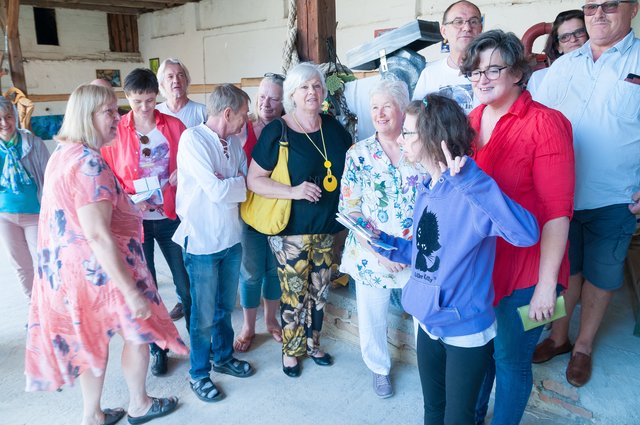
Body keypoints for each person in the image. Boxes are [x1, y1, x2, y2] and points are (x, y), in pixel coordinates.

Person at [24, 84, 186, 425]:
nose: (118, 117)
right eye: (109, 112)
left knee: (91, 342)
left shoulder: (63, 154)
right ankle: (139, 404)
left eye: (116, 109)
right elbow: (97, 234)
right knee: (138, 333)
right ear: (88, 117)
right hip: (103, 271)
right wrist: (131, 291)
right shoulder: (89, 163)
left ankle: (93, 414)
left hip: (73, 274)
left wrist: (128, 206)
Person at [372, 93, 538, 425]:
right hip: (428, 321)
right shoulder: (427, 187)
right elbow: (428, 253)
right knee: (433, 410)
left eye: (408, 133)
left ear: (433, 137)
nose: (400, 139)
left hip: (464, 329)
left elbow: (527, 234)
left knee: (457, 417)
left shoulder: (470, 188)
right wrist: (388, 245)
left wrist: (474, 182)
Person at [458, 30, 575, 424]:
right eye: (475, 71)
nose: (482, 79)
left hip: (529, 270)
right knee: (482, 350)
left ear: (518, 73)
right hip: (483, 265)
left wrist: (546, 285)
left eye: (494, 69)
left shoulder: (546, 124)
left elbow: (557, 212)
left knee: (511, 358)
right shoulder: (470, 122)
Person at [533, 0, 639, 387]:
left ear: (633, 9)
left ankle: (584, 346)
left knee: (602, 276)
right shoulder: (564, 65)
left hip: (616, 198)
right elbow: (538, 123)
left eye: (610, 5)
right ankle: (558, 337)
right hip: (560, 197)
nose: (599, 14)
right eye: (591, 6)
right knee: (566, 271)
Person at [247, 62, 352, 377]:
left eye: (316, 86)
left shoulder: (333, 128)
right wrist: (294, 191)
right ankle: (291, 351)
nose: (312, 92)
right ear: (292, 94)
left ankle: (313, 343)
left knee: (320, 292)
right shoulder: (277, 131)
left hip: (327, 229)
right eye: (304, 87)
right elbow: (254, 180)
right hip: (290, 231)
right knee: (294, 293)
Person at [101, 68, 191, 377]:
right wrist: (126, 198)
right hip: (134, 222)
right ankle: (158, 349)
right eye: (137, 101)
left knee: (185, 284)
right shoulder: (116, 131)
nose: (143, 107)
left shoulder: (175, 126)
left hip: (169, 216)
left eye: (150, 101)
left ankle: (197, 343)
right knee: (147, 288)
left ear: (157, 96)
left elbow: (193, 163)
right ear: (127, 97)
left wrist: (183, 173)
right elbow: (108, 175)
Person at [173, 83, 254, 403]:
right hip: (202, 242)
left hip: (231, 238)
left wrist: (230, 184)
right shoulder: (193, 140)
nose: (246, 120)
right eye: (244, 114)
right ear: (228, 113)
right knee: (203, 314)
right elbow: (218, 191)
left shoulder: (233, 143)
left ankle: (223, 357)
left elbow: (244, 184)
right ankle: (198, 373)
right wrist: (231, 184)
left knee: (224, 308)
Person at [338, 78, 418, 398]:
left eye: (387, 106)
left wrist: (411, 249)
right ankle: (379, 368)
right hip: (373, 252)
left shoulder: (419, 146)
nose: (380, 114)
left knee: (424, 316)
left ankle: (432, 368)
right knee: (372, 315)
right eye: (374, 107)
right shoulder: (358, 153)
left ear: (403, 109)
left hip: (415, 251)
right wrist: (382, 251)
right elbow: (350, 208)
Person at [234, 73, 285, 353]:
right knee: (251, 271)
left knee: (274, 270)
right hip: (249, 211)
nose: (266, 104)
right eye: (262, 97)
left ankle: (271, 320)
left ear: (284, 101)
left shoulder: (289, 128)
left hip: (280, 211)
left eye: (274, 99)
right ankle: (248, 326)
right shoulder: (242, 127)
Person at [0, 96, 49, 302]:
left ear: (15, 117)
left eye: (8, 116)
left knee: (44, 261)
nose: (4, 123)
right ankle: (33, 305)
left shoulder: (33, 143)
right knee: (21, 265)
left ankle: (51, 304)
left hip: (35, 214)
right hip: (5, 217)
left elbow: (49, 178)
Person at [412, 0, 483, 114]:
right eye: (458, 22)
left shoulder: (493, 73)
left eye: (473, 22)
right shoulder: (429, 74)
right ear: (444, 31)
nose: (467, 27)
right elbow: (416, 117)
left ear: (480, 29)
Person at [527, 10, 588, 96]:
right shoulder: (539, 79)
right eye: (565, 37)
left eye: (579, 32)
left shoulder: (604, 72)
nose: (573, 39)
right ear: (558, 47)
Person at [156, 58, 207, 129]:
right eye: (170, 77)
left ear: (187, 80)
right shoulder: (155, 113)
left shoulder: (203, 112)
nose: (176, 81)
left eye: (180, 75)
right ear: (162, 83)